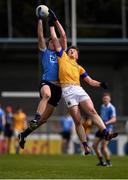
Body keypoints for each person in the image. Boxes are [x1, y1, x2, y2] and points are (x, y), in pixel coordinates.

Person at [49, 12, 118, 154]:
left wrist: (101, 84)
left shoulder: (79, 67)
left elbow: (90, 81)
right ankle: (85, 145)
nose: (71, 52)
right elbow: (59, 37)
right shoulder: (62, 56)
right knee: (78, 120)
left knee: (92, 111)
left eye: (73, 51)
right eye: (70, 50)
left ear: (77, 55)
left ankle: (106, 132)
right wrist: (52, 23)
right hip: (68, 91)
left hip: (79, 89)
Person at [18, 7, 67, 149]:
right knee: (46, 94)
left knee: (45, 120)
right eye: (52, 40)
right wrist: (40, 19)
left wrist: (55, 20)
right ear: (49, 42)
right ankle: (36, 117)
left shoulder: (61, 53)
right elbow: (40, 36)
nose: (55, 41)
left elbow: (63, 36)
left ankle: (24, 134)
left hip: (59, 88)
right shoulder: (45, 51)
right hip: (47, 83)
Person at [92, 92, 117, 166]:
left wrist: (107, 122)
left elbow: (114, 119)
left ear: (110, 99)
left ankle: (109, 162)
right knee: (94, 145)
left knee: (103, 147)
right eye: (104, 98)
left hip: (108, 130)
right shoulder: (102, 106)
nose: (105, 100)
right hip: (101, 129)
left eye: (107, 98)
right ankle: (101, 161)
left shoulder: (111, 108)